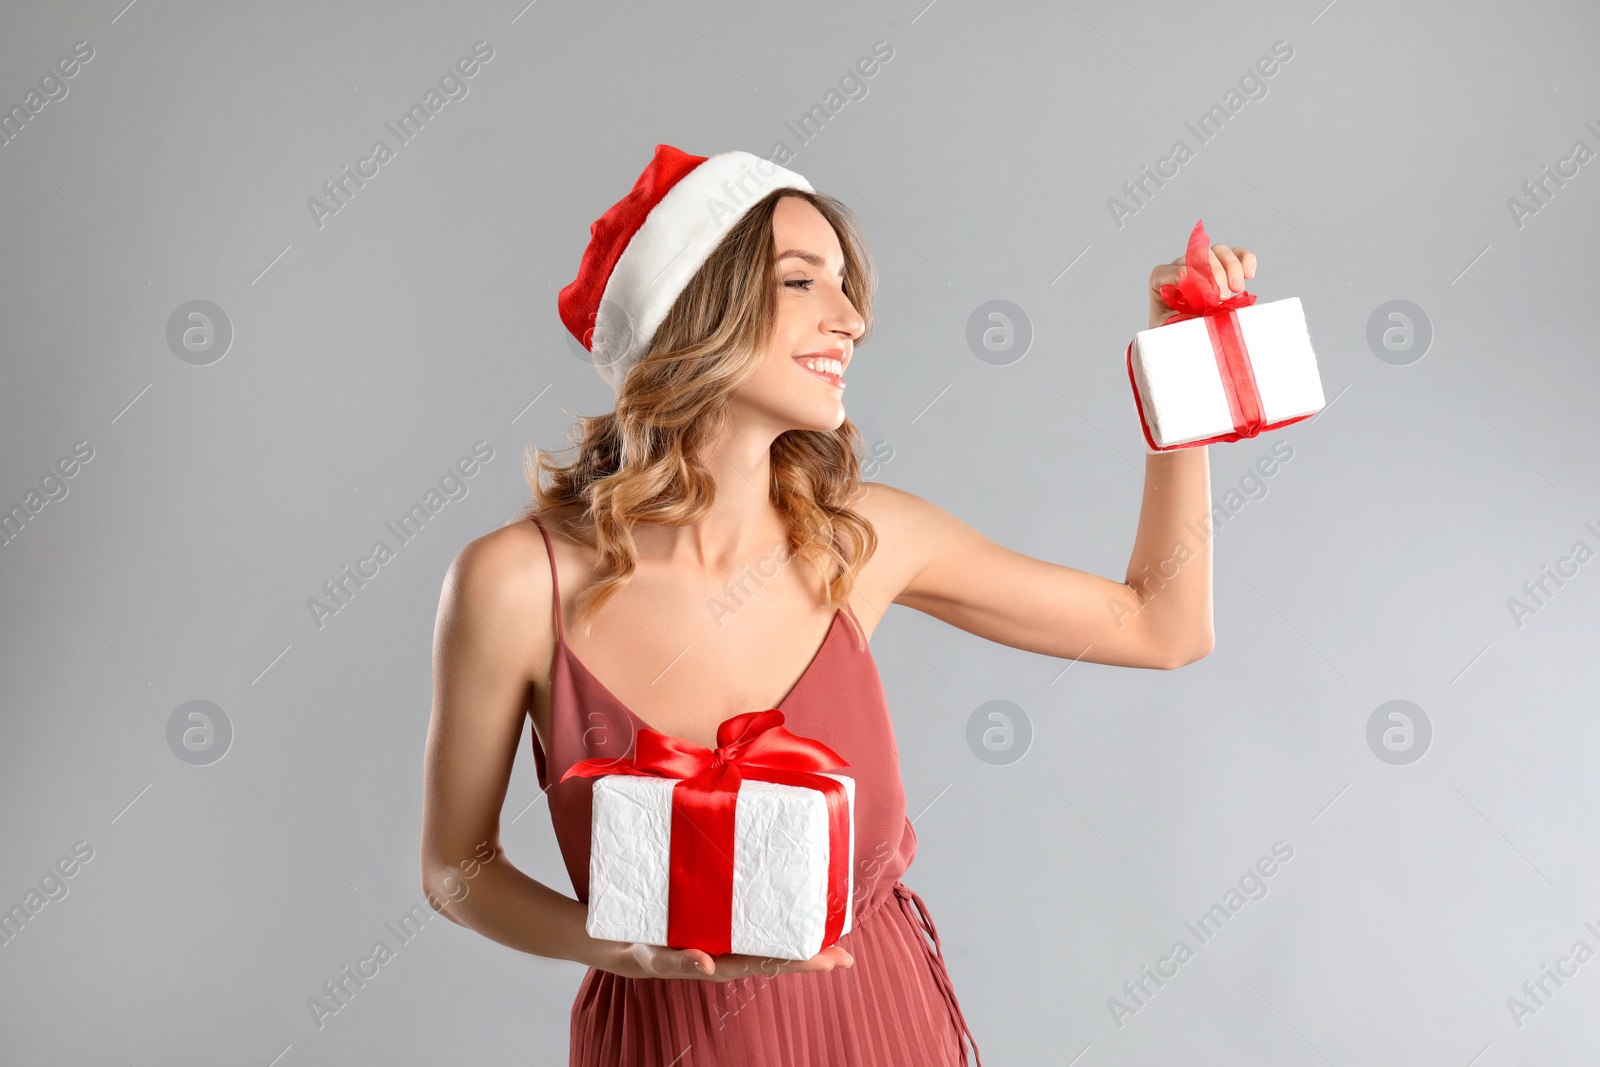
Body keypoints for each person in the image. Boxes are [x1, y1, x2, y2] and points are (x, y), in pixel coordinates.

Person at [420, 144, 1243, 1066]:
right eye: (803, 282)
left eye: (847, 287)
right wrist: (616, 947)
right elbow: (459, 869)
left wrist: (1182, 354)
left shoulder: (863, 541)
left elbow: (1166, 623)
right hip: (664, 1041)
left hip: (878, 1026)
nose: (851, 319)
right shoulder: (514, 583)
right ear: (696, 308)